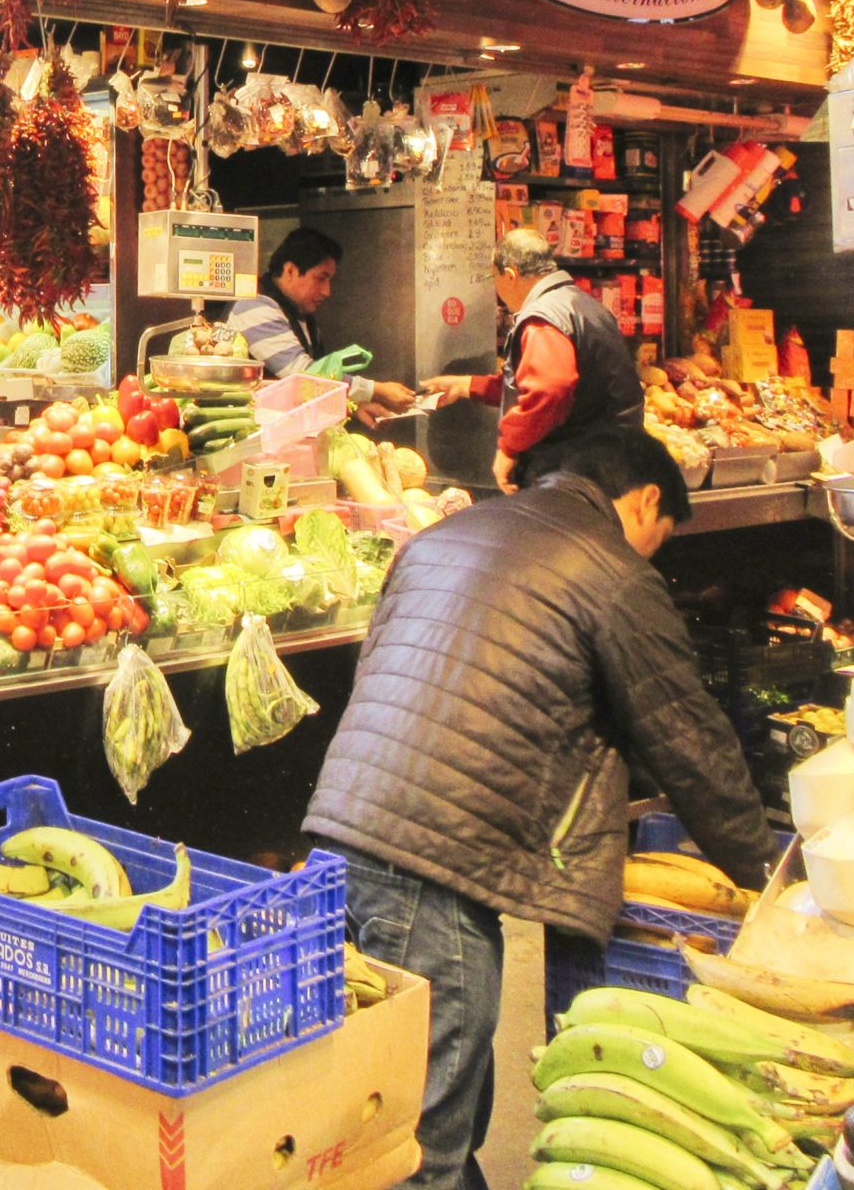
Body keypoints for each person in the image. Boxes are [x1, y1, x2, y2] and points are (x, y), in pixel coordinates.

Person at [303, 426, 770, 1190]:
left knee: (387, 1102)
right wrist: (764, 872)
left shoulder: (443, 537)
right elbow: (690, 741)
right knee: (420, 1141)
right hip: (436, 866)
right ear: (648, 499)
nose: (654, 553)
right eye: (661, 536)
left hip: (344, 831)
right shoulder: (614, 573)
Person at [423, 225, 644, 492]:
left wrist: (509, 447)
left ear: (511, 275)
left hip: (575, 476)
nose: (497, 290)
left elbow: (551, 387)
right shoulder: (585, 306)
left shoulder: (543, 319)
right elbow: (542, 386)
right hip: (609, 465)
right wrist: (468, 385)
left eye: (494, 277)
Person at [226, 227, 414, 428]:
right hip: (249, 435)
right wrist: (375, 389)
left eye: (329, 280)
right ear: (290, 270)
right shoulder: (254, 307)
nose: (327, 291)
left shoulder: (302, 316)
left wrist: (354, 407)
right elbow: (303, 375)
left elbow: (310, 389)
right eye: (320, 278)